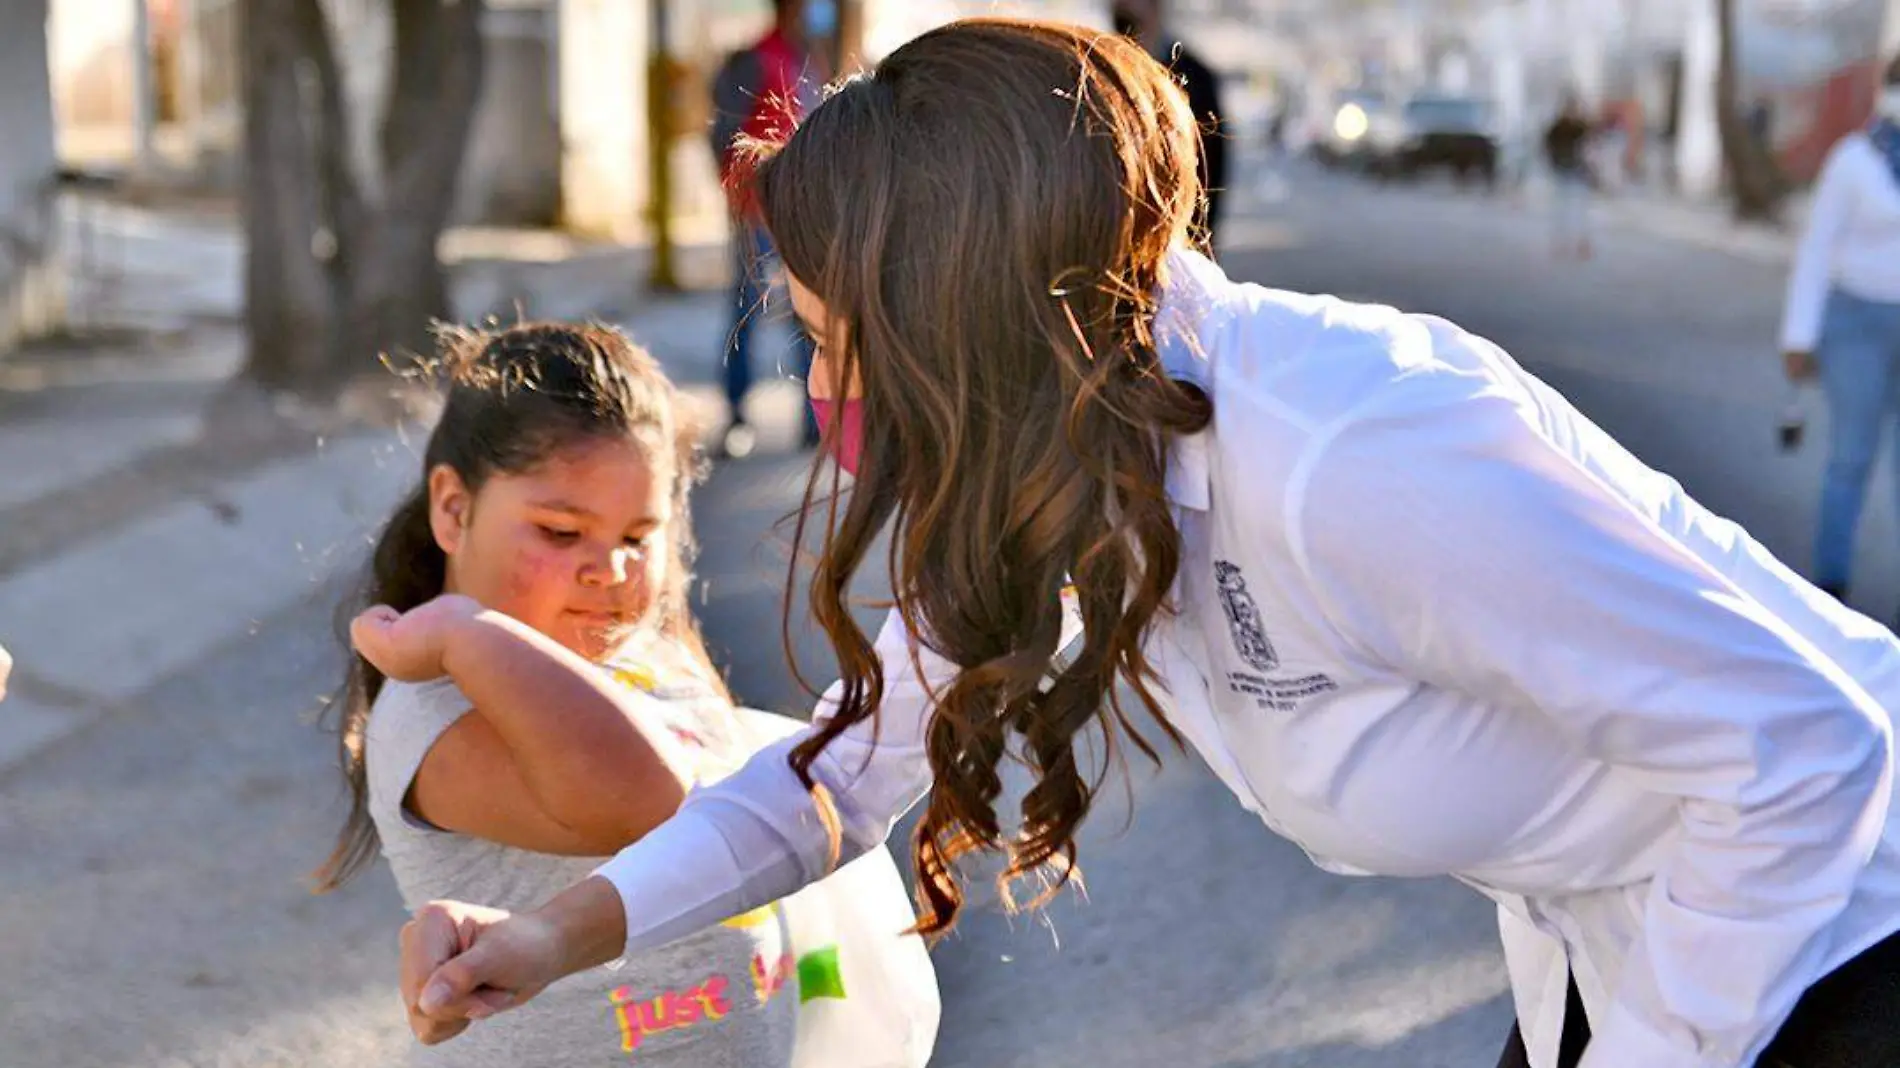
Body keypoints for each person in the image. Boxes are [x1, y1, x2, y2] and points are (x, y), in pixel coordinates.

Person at [382, 21, 1900, 1068]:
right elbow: (848, 770)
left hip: (1829, 927)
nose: (831, 389)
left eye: (846, 339)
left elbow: (1806, 753)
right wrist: (556, 933)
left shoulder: (1353, 449)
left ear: (959, 323)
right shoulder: (1080, 449)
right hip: (1620, 938)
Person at [317, 322, 810, 1066]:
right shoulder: (436, 709)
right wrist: (464, 630)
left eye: (638, 537)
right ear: (453, 510)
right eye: (560, 532)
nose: (610, 571)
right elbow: (651, 810)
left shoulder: (644, 654)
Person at [1778, 53, 1900, 611]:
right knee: (1852, 455)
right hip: (1855, 325)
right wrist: (1798, 336)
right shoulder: (1854, 160)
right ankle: (1830, 586)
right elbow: (1817, 249)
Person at [709, 0, 829, 459]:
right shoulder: (755, 59)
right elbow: (725, 134)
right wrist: (739, 197)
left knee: (809, 316)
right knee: (746, 311)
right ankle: (737, 416)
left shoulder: (807, 60)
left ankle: (814, 420)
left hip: (797, 212)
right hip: (758, 212)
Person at [1112, 0, 1228, 248]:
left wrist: (1201, 238)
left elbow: (1212, 164)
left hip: (1176, 233)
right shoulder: (1103, 69)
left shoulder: (1194, 76)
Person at [1543, 94, 1596, 260]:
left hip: (1576, 171)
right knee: (1563, 208)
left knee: (1578, 208)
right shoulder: (1560, 127)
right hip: (1564, 170)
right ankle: (1563, 242)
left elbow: (1591, 140)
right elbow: (1547, 146)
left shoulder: (1577, 126)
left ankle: (1579, 242)